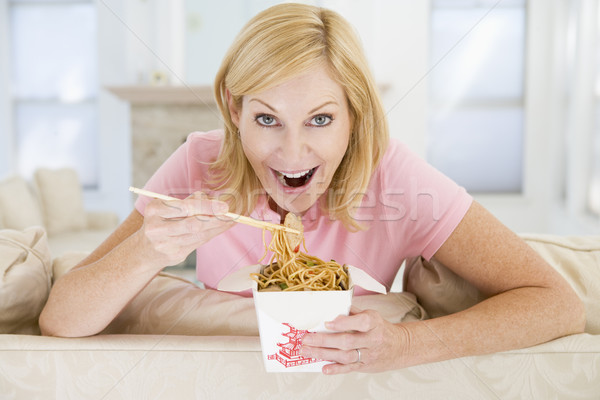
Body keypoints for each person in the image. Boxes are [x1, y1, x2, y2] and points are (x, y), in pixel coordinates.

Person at [39, 3, 584, 374]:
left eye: (320, 120)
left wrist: (410, 343)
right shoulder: (201, 162)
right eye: (267, 119)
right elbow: (61, 321)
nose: (293, 154)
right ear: (235, 110)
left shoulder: (393, 175)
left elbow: (557, 304)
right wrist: (146, 249)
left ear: (355, 115)